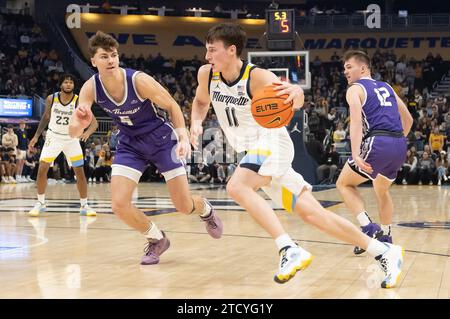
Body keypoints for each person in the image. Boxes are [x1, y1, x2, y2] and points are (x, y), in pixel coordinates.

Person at [190, 23, 404, 288]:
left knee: (237, 185)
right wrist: (195, 123)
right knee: (314, 215)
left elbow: (296, 98)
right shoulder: (206, 75)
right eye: (207, 51)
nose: (207, 56)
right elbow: (200, 102)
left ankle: (287, 248)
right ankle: (384, 252)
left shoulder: (257, 77)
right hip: (255, 154)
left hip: (272, 143)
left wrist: (296, 93)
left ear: (231, 50)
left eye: (212, 50)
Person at [68, 31, 223, 265]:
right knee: (119, 205)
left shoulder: (138, 80)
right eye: (104, 56)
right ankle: (157, 238)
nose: (110, 60)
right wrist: (78, 123)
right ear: (93, 61)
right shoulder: (90, 88)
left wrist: (182, 135)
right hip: (131, 143)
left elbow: (171, 104)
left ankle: (205, 210)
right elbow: (73, 131)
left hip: (161, 139)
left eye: (113, 55)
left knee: (183, 205)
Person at [336, 50, 413, 255]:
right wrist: (395, 142)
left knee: (344, 183)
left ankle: (369, 229)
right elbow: (409, 120)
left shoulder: (355, 89)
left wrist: (356, 154)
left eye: (349, 67)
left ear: (363, 68)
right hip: (399, 144)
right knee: (381, 189)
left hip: (377, 142)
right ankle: (386, 236)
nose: (345, 71)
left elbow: (356, 124)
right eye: (344, 68)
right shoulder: (387, 87)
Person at [28, 74, 98, 217]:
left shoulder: (79, 101)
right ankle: (40, 203)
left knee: (80, 172)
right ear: (61, 84)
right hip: (53, 137)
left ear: (74, 85)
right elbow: (46, 117)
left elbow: (94, 123)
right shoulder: (51, 98)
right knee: (42, 169)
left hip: (71, 139)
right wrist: (35, 136)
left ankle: (84, 205)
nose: (68, 84)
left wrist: (87, 133)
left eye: (71, 82)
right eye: (65, 82)